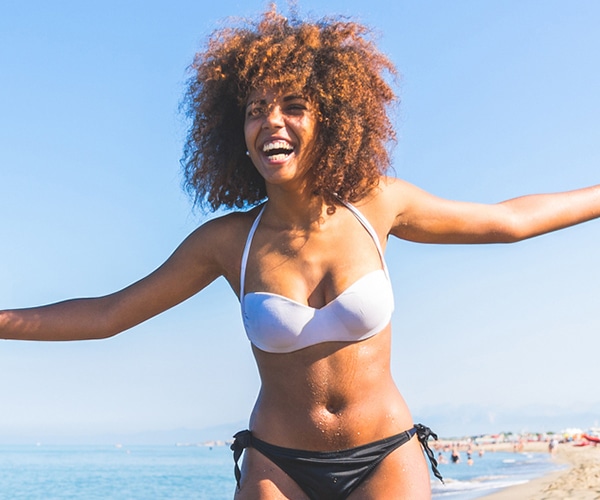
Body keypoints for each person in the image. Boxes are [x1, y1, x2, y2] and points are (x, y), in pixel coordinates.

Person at [1, 6, 599, 499]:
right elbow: (107, 315)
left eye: (292, 106)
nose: (272, 123)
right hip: (277, 467)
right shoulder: (227, 242)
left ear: (331, 120)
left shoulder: (379, 205)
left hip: (385, 457)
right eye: (256, 110)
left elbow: (508, 222)